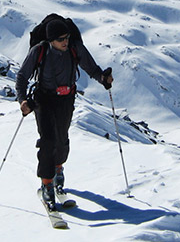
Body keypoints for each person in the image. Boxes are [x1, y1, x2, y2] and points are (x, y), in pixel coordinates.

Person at [15, 18, 113, 210]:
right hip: (44, 99)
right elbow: (22, 76)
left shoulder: (75, 48)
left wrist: (103, 78)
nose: (65, 41)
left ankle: (58, 169)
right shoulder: (40, 51)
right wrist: (23, 100)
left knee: (61, 139)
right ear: (51, 40)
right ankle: (47, 184)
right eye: (61, 39)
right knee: (48, 140)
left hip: (66, 100)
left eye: (67, 37)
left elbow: (91, 68)